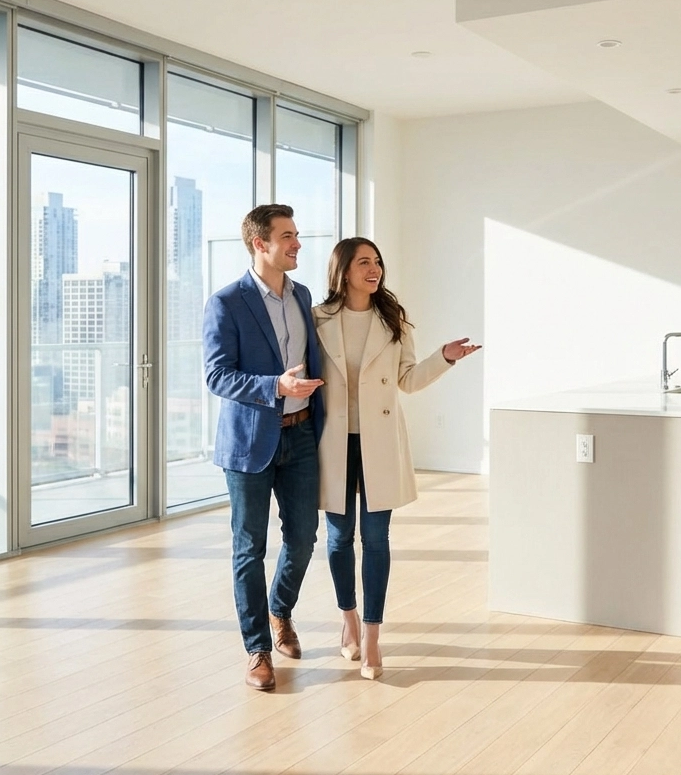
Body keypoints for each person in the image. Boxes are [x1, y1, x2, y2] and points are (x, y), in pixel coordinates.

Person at [313, 237, 480, 679]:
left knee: (376, 540)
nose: (374, 269)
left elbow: (407, 380)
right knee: (338, 539)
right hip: (333, 441)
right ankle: (348, 620)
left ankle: (372, 636)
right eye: (364, 262)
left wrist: (444, 358)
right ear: (343, 270)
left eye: (377, 262)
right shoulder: (318, 319)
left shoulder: (393, 319)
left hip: (379, 441)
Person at [202, 204, 325, 691]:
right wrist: (275, 386)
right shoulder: (227, 302)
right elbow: (217, 375)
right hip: (250, 443)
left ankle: (280, 610)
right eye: (287, 235)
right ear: (260, 243)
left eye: (296, 234)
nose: (297, 243)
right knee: (249, 547)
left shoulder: (303, 295)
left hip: (302, 434)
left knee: (303, 537)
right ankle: (257, 649)